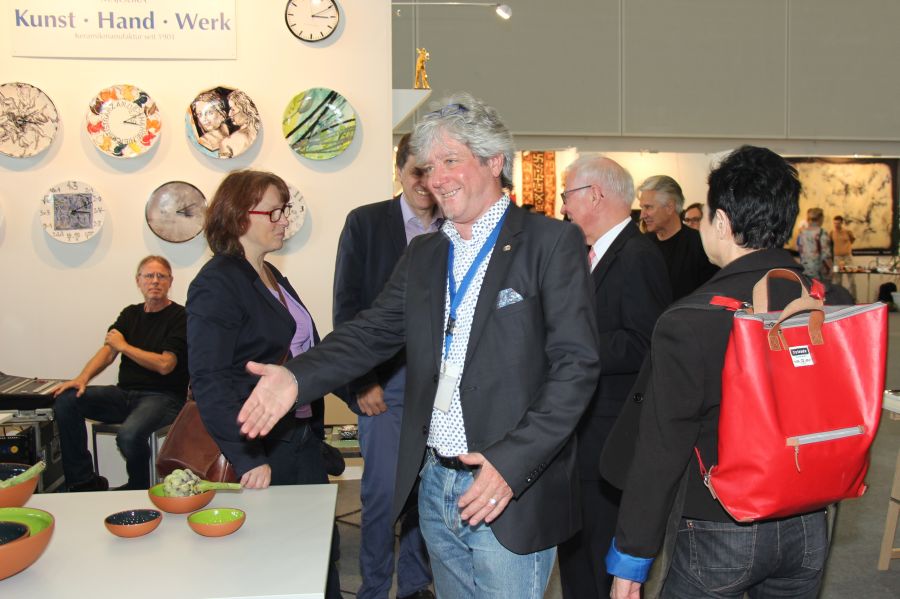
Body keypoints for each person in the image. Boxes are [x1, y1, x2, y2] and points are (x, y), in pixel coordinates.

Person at [237, 92, 600, 599]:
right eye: (429, 167)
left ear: (494, 161)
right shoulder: (426, 253)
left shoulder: (550, 243)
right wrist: (298, 377)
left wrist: (512, 464)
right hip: (434, 483)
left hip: (504, 487)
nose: (437, 179)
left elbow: (576, 367)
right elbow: (371, 331)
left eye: (451, 161)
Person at [607, 146, 828, 599]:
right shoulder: (826, 304)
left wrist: (631, 557)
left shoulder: (691, 320)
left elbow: (662, 448)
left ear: (722, 223)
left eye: (706, 217)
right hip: (809, 520)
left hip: (720, 525)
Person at [185, 170, 341, 599]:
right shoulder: (218, 281)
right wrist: (248, 457)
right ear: (239, 216)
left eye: (284, 210)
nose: (284, 219)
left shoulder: (269, 274)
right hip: (264, 446)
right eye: (274, 211)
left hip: (299, 437)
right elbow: (210, 380)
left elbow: (306, 353)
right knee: (281, 563)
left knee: (318, 551)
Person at [557, 156, 671, 598]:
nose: (564, 207)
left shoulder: (637, 256)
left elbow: (645, 344)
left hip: (608, 437)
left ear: (595, 195)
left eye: (567, 195)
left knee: (599, 558)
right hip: (581, 433)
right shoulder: (588, 253)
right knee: (577, 557)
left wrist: (569, 347)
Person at [332, 133, 437, 599]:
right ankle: (374, 588)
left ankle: (414, 584)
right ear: (399, 171)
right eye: (417, 171)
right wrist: (363, 380)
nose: (425, 181)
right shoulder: (366, 222)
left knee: (426, 490)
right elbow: (347, 307)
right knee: (382, 493)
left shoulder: (458, 225)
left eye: (433, 171)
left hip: (442, 385)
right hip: (385, 384)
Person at [53, 256, 188, 492]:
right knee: (66, 400)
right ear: (138, 281)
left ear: (170, 281)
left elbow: (165, 364)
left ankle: (138, 487)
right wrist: (82, 378)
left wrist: (124, 346)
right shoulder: (129, 314)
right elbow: (108, 352)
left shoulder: (181, 316)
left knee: (128, 436)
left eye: (161, 276)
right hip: (124, 394)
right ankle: (83, 481)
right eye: (149, 275)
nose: (155, 281)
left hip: (164, 398)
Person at [639, 175, 718, 300]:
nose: (642, 215)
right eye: (642, 208)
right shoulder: (641, 245)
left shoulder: (700, 245)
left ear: (670, 207)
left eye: (648, 207)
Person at [796, 206, 832, 282]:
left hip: (804, 268)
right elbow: (825, 255)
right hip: (818, 270)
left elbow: (799, 249)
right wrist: (830, 269)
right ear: (820, 218)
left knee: (808, 287)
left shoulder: (802, 233)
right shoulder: (821, 233)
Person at [830, 214, 856, 298]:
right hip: (837, 258)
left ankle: (853, 298)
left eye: (838, 223)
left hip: (847, 257)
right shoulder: (832, 233)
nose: (836, 225)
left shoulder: (847, 232)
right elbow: (830, 244)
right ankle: (839, 298)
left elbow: (852, 240)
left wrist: (846, 248)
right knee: (837, 280)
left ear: (841, 223)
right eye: (835, 223)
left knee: (851, 279)